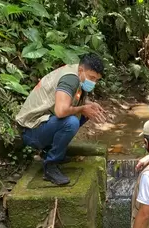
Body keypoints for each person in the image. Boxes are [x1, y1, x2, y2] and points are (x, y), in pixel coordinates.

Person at [16, 53, 107, 186]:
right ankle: (51, 166)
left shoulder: (77, 74)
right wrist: (83, 108)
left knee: (87, 112)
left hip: (42, 125)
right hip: (31, 131)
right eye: (92, 77)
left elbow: (69, 98)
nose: (93, 82)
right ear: (81, 69)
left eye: (96, 80)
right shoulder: (70, 79)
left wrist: (88, 104)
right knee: (71, 122)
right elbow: (60, 111)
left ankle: (51, 151)